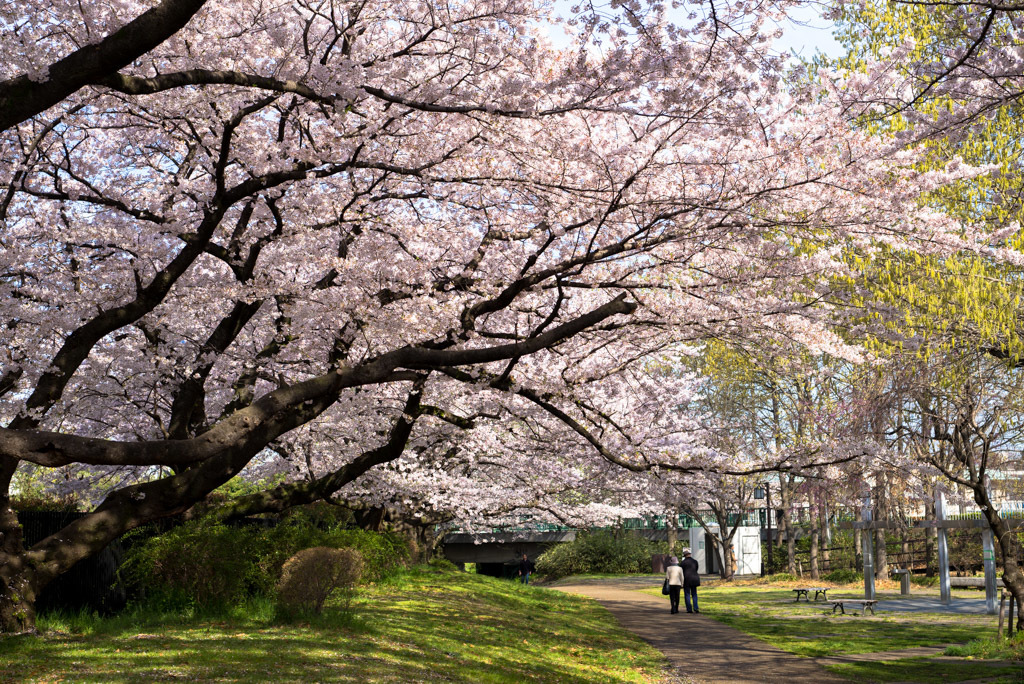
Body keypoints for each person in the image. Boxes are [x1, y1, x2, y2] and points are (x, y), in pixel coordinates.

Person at [681, 548, 700, 613]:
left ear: (684, 555)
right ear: (690, 554)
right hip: (694, 578)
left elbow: (681, 571)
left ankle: (689, 609)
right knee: (694, 594)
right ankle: (696, 607)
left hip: (686, 579)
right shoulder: (695, 561)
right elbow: (696, 569)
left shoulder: (683, 563)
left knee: (687, 594)